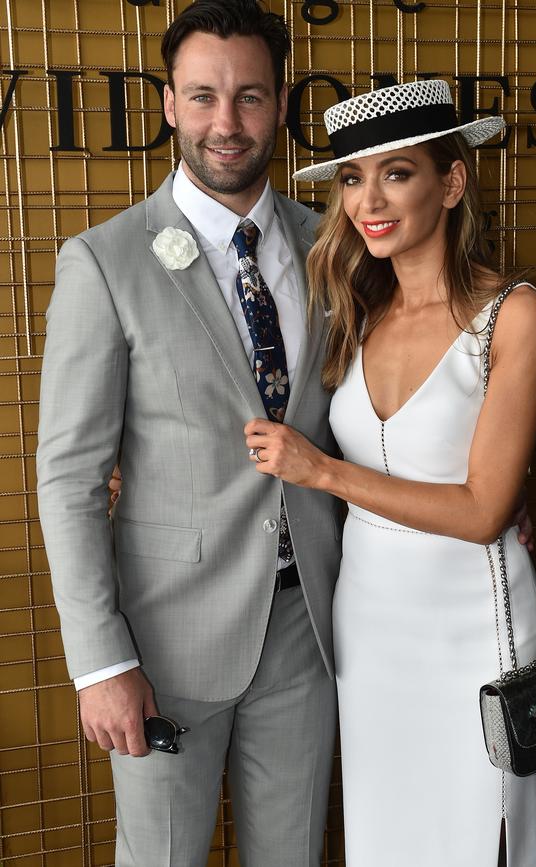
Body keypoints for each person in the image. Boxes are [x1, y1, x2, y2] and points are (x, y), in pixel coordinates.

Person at [36, 2, 341, 865]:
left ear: (281, 104)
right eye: (203, 96)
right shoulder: (105, 260)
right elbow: (68, 477)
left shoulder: (332, 246)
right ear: (169, 103)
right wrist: (101, 663)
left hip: (308, 630)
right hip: (164, 644)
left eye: (249, 97)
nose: (226, 122)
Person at [244, 79, 536, 866]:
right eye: (351, 177)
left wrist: (323, 473)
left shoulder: (513, 314)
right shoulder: (350, 312)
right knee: (387, 838)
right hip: (370, 622)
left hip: (472, 624)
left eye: (397, 172)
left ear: (451, 183)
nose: (367, 199)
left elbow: (485, 509)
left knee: (478, 836)